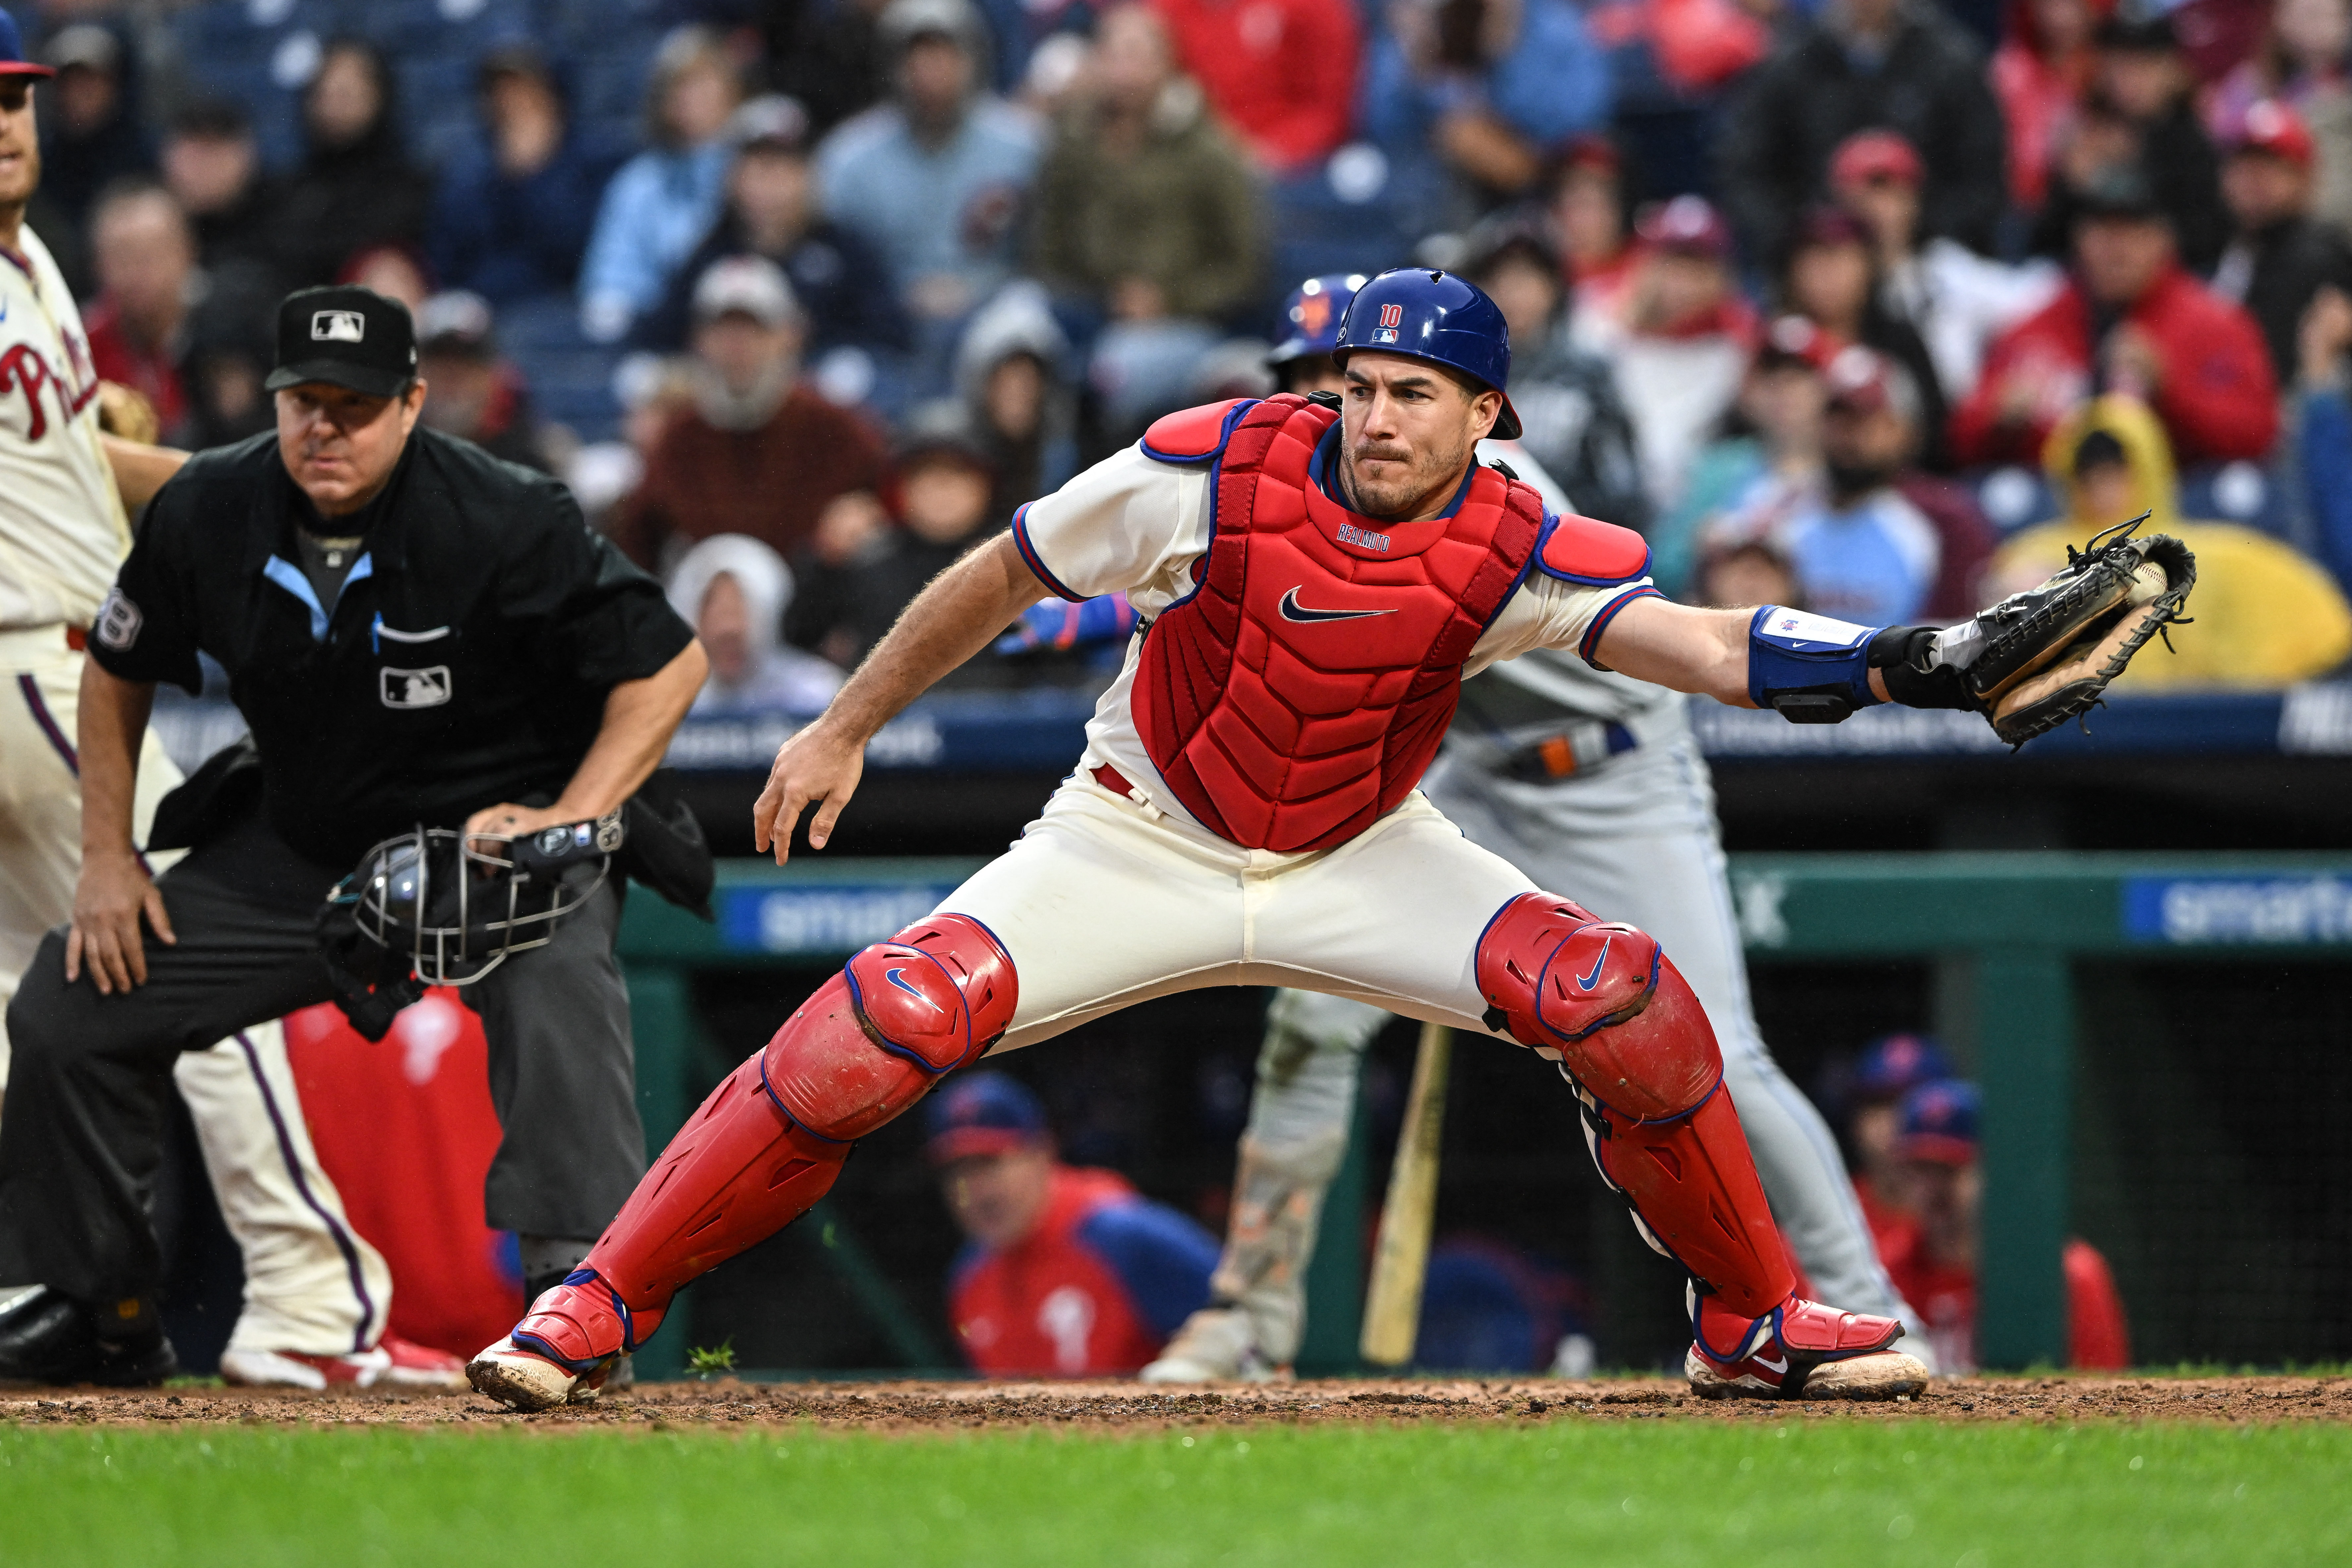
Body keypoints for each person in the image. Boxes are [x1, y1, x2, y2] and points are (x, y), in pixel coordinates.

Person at [467, 265, 2022, 1412]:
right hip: (1136, 833)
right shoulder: (1207, 466)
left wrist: (1909, 657)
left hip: (1361, 850)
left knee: (1628, 998)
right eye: (1356, 382)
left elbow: (1696, 643)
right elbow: (1002, 570)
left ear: (1485, 417)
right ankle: (597, 1298)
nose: (1372, 412)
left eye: (1412, 392)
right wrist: (844, 722)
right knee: (881, 1019)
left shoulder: (1508, 537)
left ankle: (1748, 1320)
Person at [0, 281, 709, 1386]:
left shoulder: (504, 511)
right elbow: (117, 666)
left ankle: (576, 1302)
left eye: (357, 404)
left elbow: (668, 662)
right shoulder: (210, 505)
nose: (327, 427)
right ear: (274, 402)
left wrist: (575, 814)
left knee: (558, 973)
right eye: (306, 402)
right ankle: (108, 1305)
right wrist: (106, 855)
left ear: (413, 403)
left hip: (492, 840)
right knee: (72, 999)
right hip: (305, 846)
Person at [0, 36, 464, 1392]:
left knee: (34, 1004)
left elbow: (70, 460)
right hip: (37, 666)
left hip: (37, 658)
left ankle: (55, 1290)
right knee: (204, 965)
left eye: (16, 101)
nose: (7, 125)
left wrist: (225, 479)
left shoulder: (32, 264)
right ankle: (308, 1296)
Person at [1984, 395, 2352, 687]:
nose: (2103, 491)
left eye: (2115, 475)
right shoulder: (2040, 549)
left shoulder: (2214, 550)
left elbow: (2310, 615)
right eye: (2090, 478)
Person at [1953, 166, 2279, 468]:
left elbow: (2257, 433)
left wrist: (2171, 392)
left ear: (2163, 239)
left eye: (2131, 231)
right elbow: (1961, 436)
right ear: (2079, 239)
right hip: (2064, 514)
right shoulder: (2037, 327)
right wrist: (1999, 420)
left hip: (2181, 513)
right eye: (2102, 231)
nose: (2116, 248)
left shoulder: (2216, 325)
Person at [928, 1072, 1218, 1377]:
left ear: (1042, 1152)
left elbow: (1244, 1325)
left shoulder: (1123, 1236)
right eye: (956, 1173)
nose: (976, 1191)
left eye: (990, 1163)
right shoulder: (968, 1278)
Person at [614, 255, 889, 573]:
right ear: (699, 340)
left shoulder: (837, 429)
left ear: (790, 335)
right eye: (724, 331)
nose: (738, 347)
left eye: (754, 331)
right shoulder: (679, 440)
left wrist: (869, 517)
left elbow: (893, 503)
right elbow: (637, 545)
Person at [815, 0, 1039, 346]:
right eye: (917, 58)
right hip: (885, 326)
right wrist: (898, 296)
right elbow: (832, 267)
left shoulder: (1023, 147)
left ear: (972, 61)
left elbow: (1045, 259)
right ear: (894, 68)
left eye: (945, 56)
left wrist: (981, 290)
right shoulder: (850, 159)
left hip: (998, 322)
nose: (931, 72)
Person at [1716, 0, 2006, 267]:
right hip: (1815, 265)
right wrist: (1803, 240)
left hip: (1933, 264)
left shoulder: (1952, 62)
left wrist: (1920, 234)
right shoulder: (1790, 64)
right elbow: (1747, 171)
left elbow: (1983, 178)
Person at [1029, 3, 1264, 330]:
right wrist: (1078, 292)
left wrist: (1171, 300)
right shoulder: (1072, 138)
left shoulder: (1206, 150)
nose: (1124, 73)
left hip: (1178, 320)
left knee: (1122, 366)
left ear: (1167, 65)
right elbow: (1047, 238)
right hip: (1082, 303)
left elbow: (1242, 268)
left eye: (1137, 57)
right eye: (1113, 57)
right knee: (1020, 327)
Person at [1876, 1080, 2131, 1375]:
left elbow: (2106, 1392)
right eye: (1919, 1169)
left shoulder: (2070, 1273)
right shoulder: (1885, 1271)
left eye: (1949, 1169)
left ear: (1995, 1169)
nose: (1932, 1189)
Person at [634, 95, 909, 362]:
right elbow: (657, 339)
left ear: (809, 176)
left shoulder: (844, 252)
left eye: (784, 168)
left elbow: (892, 338)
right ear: (732, 178)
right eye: (758, 167)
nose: (770, 185)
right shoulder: (711, 253)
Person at [1830, 129, 2062, 405]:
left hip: (1956, 426)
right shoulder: (1826, 281)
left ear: (1913, 201)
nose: (1875, 209)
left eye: (1889, 193)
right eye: (1863, 196)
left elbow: (2039, 293)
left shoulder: (1947, 269)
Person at [1454, 214, 1648, 529]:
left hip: (1569, 536)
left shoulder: (1588, 373)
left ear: (1554, 287)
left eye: (1526, 278)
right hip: (1478, 532)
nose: (1511, 293)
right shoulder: (1461, 372)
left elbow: (1624, 486)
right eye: (1498, 279)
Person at [1572, 195, 1756, 513]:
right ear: (1647, 265)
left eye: (1698, 269)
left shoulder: (1735, 348)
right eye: (1674, 266)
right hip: (1597, 497)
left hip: (1687, 510)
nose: (1683, 284)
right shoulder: (1596, 326)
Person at [578, 27, 745, 343]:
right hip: (660, 334)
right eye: (681, 85)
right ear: (663, 101)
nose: (693, 98)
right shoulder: (638, 184)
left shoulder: (752, 168)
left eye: (705, 83)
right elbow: (612, 281)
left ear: (731, 93)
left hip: (743, 327)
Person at [1358, 0, 1614, 204]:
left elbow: (1581, 119)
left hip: (1545, 178)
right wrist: (1418, 66)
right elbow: (1381, 124)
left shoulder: (1554, 27)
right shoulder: (1421, 20)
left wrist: (1505, 49)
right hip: (1436, 184)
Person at [427, 43, 619, 308]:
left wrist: (533, 175)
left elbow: (579, 251)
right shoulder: (469, 172)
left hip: (567, 306)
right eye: (500, 93)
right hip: (485, 312)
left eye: (524, 91)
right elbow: (451, 259)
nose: (511, 103)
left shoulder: (594, 162)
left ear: (553, 97)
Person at [1778, 203, 1949, 471]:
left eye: (1839, 258)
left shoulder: (1898, 340)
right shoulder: (1778, 347)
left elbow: (1935, 434)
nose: (1825, 272)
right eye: (1812, 259)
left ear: (1869, 266)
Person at [269, 39, 430, 290]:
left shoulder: (407, 186)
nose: (334, 106)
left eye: (347, 93)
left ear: (379, 96)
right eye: (325, 94)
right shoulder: (291, 191)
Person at [2212, 100, 2352, 384]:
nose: (2253, 180)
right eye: (2243, 166)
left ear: (2305, 179)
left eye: (2270, 167)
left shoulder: (2316, 256)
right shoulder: (2236, 246)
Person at [1148, 0, 1358, 172]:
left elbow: (1330, 110)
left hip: (1286, 170)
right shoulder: (1165, 11)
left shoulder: (1314, 9)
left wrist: (1269, 153)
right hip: (1194, 158)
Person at [665, 534, 844, 715]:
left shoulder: (820, 695)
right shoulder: (665, 701)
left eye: (738, 611)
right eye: (716, 613)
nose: (728, 627)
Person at [80, 180, 195, 444]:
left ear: (187, 252)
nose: (136, 272)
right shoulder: (78, 348)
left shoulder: (229, 332)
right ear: (98, 265)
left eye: (150, 255)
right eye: (122, 257)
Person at [1835, 1033, 1952, 1252]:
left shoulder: (1979, 1226)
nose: (1895, 1121)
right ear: (1856, 1122)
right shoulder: (1828, 1214)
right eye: (1879, 1104)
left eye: (1914, 1103)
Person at [413, 290, 549, 472]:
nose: (452, 379)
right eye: (439, 362)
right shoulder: (388, 454)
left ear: (493, 375)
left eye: (467, 363)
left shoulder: (530, 465)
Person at [1990, 0, 2103, 219]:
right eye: (2050, 5)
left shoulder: (2107, 72)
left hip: (2091, 206)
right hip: (2018, 208)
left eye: (2074, 6)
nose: (2061, 18)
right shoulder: (2010, 71)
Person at [157, 101, 279, 288]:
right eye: (194, 153)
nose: (205, 167)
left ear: (248, 156)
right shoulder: (146, 224)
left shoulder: (282, 225)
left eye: (217, 151)